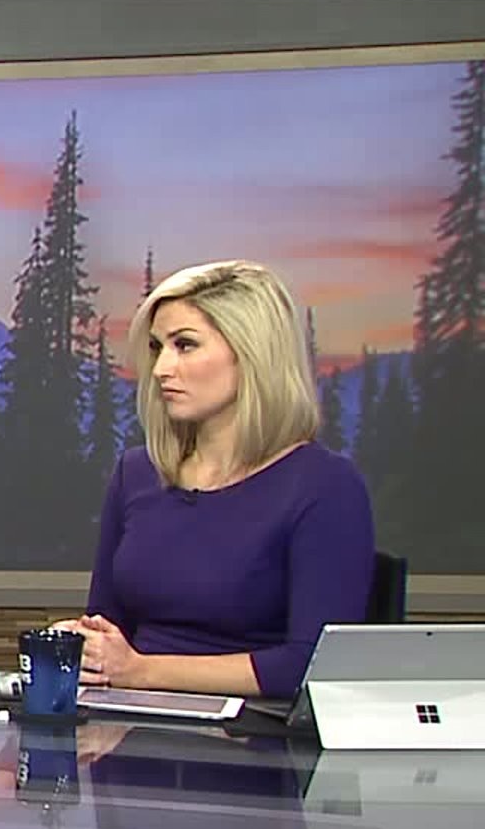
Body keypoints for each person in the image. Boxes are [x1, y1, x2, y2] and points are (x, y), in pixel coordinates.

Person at [59, 260, 374, 699]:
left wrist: (142, 671)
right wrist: (85, 644)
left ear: (252, 353)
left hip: (254, 731)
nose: (161, 368)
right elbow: (109, 629)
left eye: (185, 345)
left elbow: (311, 664)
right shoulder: (136, 473)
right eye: (157, 348)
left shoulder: (325, 486)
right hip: (126, 718)